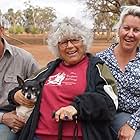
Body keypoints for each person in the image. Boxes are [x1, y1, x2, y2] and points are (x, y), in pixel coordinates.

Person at [9, 17, 118, 140]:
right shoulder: (49, 69)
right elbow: (25, 86)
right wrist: (15, 95)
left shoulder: (96, 68)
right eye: (64, 42)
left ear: (84, 42)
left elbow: (110, 102)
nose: (70, 46)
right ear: (57, 47)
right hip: (38, 136)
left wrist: (76, 107)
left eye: (75, 40)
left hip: (79, 136)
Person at [97, 5, 140, 140]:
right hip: (115, 115)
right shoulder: (101, 59)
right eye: (126, 28)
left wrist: (132, 123)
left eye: (136, 30)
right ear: (119, 29)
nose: (130, 34)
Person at [0, 21, 39, 140]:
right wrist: (2, 117)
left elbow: (41, 85)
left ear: (1, 31)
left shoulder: (24, 58)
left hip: (18, 114)